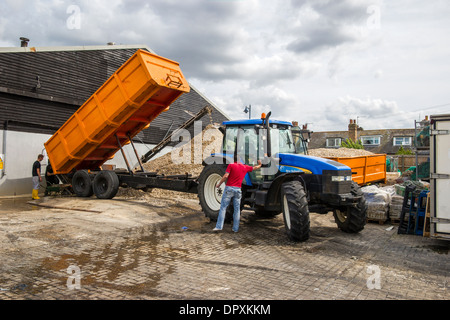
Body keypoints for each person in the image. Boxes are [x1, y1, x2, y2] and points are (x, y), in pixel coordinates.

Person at [213, 157, 262, 232]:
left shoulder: (231, 165)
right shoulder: (245, 167)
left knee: (223, 208)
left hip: (229, 189)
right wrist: (260, 165)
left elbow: (226, 176)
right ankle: (235, 229)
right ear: (240, 160)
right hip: (238, 190)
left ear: (234, 159)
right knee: (237, 210)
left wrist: (219, 184)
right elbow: (254, 168)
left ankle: (219, 227)